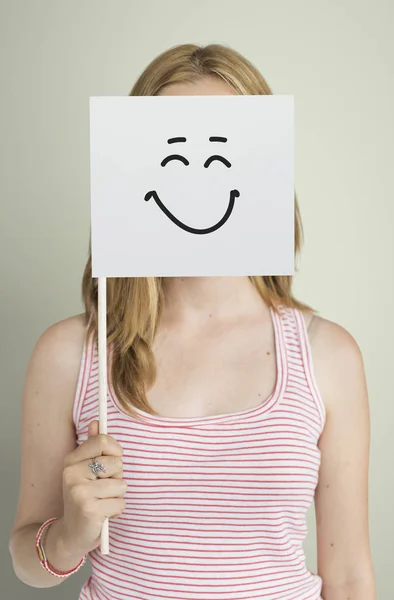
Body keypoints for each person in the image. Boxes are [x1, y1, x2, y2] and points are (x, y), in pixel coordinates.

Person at [9, 44, 375, 600]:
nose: (196, 183)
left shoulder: (328, 357)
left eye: (223, 159)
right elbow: (26, 561)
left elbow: (348, 574)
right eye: (173, 160)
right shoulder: (69, 354)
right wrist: (68, 538)